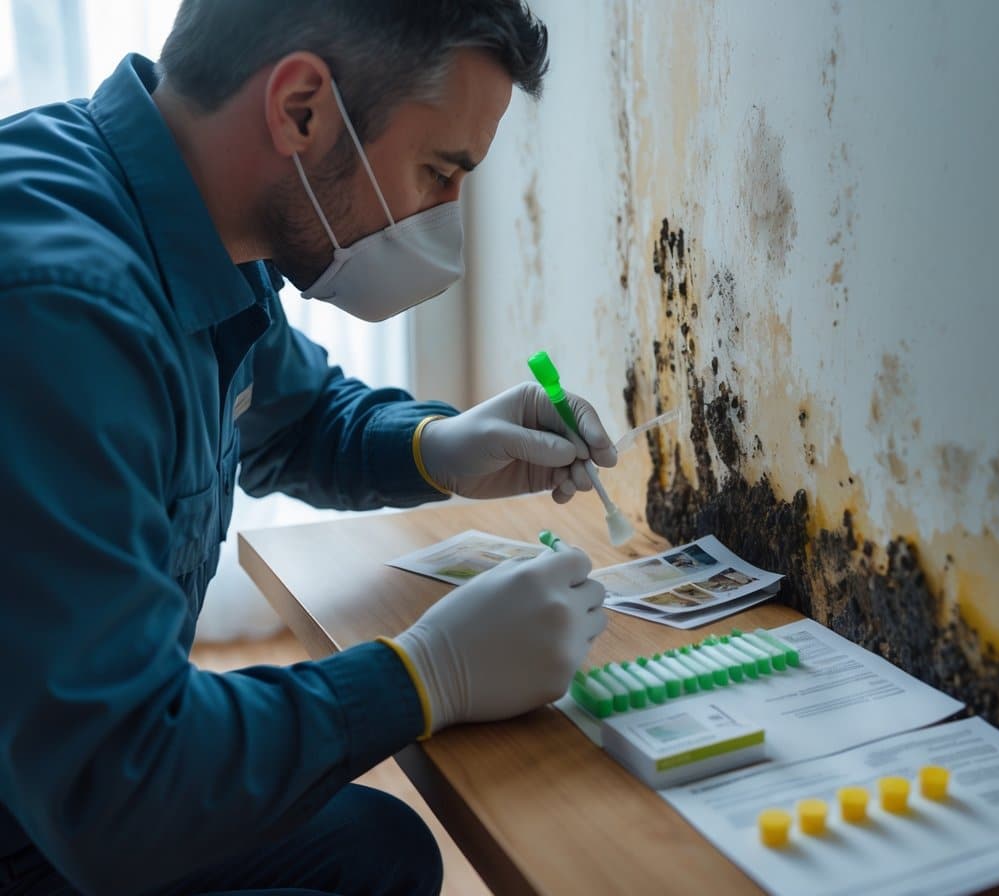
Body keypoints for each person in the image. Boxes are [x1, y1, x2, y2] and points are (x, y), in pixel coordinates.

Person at [0, 2, 617, 894]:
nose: (443, 218)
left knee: (377, 850)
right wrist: (422, 674)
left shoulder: (199, 223)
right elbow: (114, 785)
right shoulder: (58, 308)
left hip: (56, 786)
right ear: (301, 109)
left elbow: (299, 418)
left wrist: (440, 445)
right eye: (438, 172)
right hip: (55, 815)